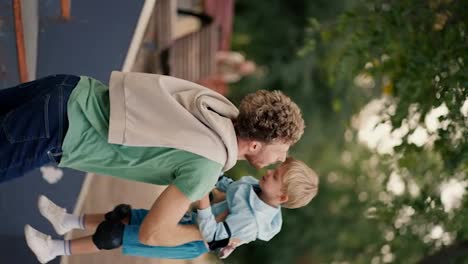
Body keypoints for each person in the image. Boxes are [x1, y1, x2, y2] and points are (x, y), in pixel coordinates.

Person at [0, 72, 305, 247]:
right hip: (58, 130)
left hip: (68, 88)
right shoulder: (207, 164)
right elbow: (151, 233)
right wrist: (214, 236)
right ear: (254, 145)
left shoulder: (215, 110)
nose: (283, 158)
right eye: (282, 149)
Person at [25, 158, 319, 263]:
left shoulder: (252, 222)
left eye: (276, 176)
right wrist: (210, 173)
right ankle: (66, 220)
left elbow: (215, 236)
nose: (268, 172)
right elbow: (228, 187)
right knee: (123, 215)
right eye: (276, 168)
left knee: (114, 235)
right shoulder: (254, 186)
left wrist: (202, 200)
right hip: (186, 217)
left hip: (187, 240)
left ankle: (54, 249)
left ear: (281, 197)